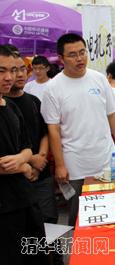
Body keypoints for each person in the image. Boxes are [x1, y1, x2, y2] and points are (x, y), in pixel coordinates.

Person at [41, 33, 115, 226]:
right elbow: (53, 130)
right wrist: (60, 164)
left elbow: (113, 116)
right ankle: (82, 254)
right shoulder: (53, 88)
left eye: (82, 52)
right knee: (79, 217)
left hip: (105, 160)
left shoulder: (99, 79)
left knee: (110, 213)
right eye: (72, 54)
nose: (80, 58)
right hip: (75, 165)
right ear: (61, 58)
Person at [0, 45, 49, 265]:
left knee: (36, 254)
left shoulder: (11, 106)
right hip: (4, 207)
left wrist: (21, 159)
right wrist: (23, 165)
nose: (9, 77)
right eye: (1, 71)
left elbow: (27, 146)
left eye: (14, 70)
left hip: (26, 199)